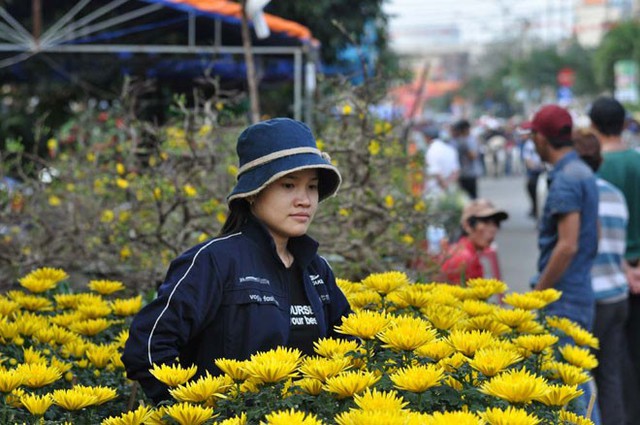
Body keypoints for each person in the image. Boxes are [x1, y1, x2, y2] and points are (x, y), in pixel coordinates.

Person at [122, 118, 352, 403]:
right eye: (289, 185)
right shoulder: (213, 261)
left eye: (312, 187)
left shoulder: (317, 270)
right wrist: (193, 413)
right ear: (254, 193)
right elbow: (147, 345)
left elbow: (348, 350)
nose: (304, 200)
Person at [527, 104, 600, 424]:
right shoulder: (583, 171)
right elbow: (592, 235)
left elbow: (567, 245)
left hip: (563, 299)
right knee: (578, 383)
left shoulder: (567, 179)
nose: (531, 141)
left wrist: (538, 295)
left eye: (532, 135)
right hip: (579, 290)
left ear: (542, 139)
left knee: (573, 390)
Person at [588, 96, 640, 424]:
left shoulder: (593, 169)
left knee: (616, 366)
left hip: (612, 277)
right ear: (624, 125)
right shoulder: (637, 162)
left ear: (593, 128)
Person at [574, 128, 629, 425]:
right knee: (610, 377)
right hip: (617, 295)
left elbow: (569, 247)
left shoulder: (575, 192)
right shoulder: (616, 195)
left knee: (577, 377)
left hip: (589, 297)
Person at [440, 198, 508, 285]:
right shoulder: (463, 259)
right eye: (485, 222)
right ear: (467, 225)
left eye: (496, 223)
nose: (493, 229)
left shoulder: (463, 252)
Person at [422, 125, 460, 201]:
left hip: (436, 191)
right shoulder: (450, 149)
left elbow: (436, 172)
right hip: (451, 189)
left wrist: (444, 186)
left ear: (428, 137)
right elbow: (456, 171)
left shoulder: (431, 151)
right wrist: (449, 185)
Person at [451, 119, 482, 199]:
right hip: (461, 173)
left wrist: (465, 148)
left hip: (470, 173)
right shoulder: (457, 140)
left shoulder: (470, 140)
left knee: (472, 196)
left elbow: (473, 155)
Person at [520, 129, 545, 219]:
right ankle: (534, 206)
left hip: (546, 170)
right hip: (535, 170)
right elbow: (527, 158)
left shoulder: (546, 142)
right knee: (530, 185)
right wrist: (533, 166)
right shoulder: (529, 144)